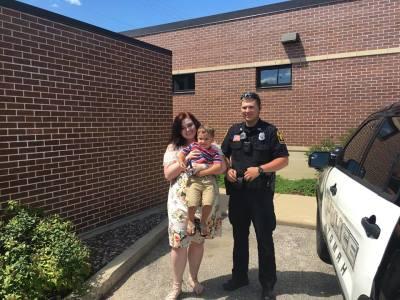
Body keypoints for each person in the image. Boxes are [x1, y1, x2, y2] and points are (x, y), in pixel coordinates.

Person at [221, 92, 289, 300]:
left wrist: (259, 170)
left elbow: (283, 160)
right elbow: (223, 154)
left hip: (261, 197)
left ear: (259, 108)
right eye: (244, 107)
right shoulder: (233, 130)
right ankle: (239, 277)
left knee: (264, 240)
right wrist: (227, 170)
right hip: (239, 195)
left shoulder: (270, 131)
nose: (247, 110)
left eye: (251, 107)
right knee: (239, 238)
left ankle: (268, 286)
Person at [163, 112, 226, 300]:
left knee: (198, 242)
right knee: (179, 244)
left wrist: (204, 168)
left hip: (204, 204)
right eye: (183, 127)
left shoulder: (211, 144)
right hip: (180, 206)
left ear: (196, 125)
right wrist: (187, 159)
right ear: (178, 130)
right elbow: (168, 174)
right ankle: (176, 286)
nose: (188, 129)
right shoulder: (174, 147)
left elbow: (222, 167)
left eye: (190, 125)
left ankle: (194, 278)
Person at [177, 125, 223, 237]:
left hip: (208, 181)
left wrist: (202, 170)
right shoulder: (193, 146)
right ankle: (191, 220)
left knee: (209, 202)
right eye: (200, 138)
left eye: (206, 139)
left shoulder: (214, 152)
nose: (203, 141)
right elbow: (181, 153)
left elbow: (218, 166)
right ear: (197, 138)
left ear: (212, 139)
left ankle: (203, 222)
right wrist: (181, 161)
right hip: (193, 180)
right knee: (192, 202)